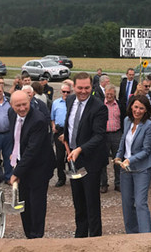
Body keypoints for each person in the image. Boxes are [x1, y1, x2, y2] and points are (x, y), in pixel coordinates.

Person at [63, 72, 108, 237]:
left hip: (90, 161)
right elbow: (70, 125)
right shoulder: (69, 101)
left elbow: (99, 135)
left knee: (91, 203)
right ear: (73, 87)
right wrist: (66, 139)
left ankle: (95, 238)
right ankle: (80, 236)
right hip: (73, 160)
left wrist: (80, 149)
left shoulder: (99, 107)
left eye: (87, 88)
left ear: (91, 87)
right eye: (80, 88)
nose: (83, 91)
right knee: (78, 201)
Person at [9, 90, 56, 239]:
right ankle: (28, 234)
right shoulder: (11, 114)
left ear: (30, 101)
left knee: (36, 204)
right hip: (23, 164)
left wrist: (16, 173)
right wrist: (14, 155)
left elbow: (32, 150)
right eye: (18, 106)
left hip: (39, 167)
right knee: (24, 202)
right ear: (12, 105)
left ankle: (36, 237)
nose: (22, 108)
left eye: (25, 104)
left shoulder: (38, 120)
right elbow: (16, 138)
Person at [114, 94, 151, 233]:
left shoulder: (149, 126)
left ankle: (146, 236)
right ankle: (131, 234)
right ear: (131, 106)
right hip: (125, 169)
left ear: (146, 110)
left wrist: (130, 160)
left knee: (140, 203)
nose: (137, 111)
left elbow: (146, 150)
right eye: (136, 107)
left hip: (142, 170)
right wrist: (118, 156)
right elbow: (123, 141)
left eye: (141, 108)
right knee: (126, 204)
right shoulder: (127, 120)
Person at [100, 84, 124, 193]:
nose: (109, 96)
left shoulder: (119, 104)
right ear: (105, 93)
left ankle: (118, 183)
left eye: (111, 94)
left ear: (115, 94)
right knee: (103, 161)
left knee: (118, 160)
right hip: (103, 135)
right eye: (107, 94)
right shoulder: (100, 104)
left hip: (117, 134)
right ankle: (103, 184)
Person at [51, 83, 71, 187]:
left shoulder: (73, 103)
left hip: (70, 131)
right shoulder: (56, 103)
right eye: (64, 92)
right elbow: (52, 117)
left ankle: (73, 176)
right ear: (61, 91)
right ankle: (61, 178)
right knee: (59, 157)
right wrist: (53, 126)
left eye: (68, 92)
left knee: (71, 155)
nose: (66, 94)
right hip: (58, 131)